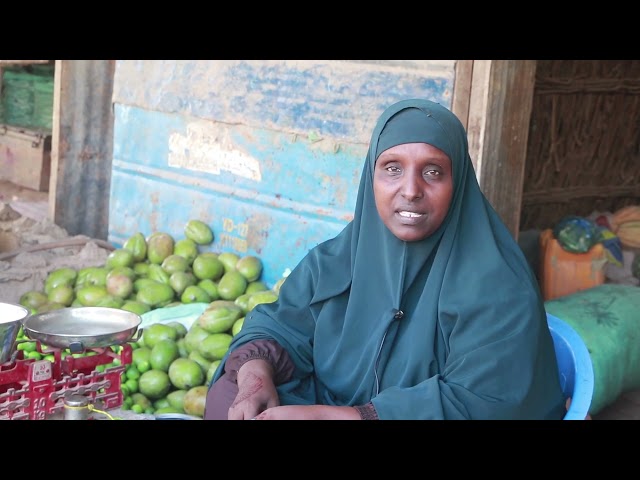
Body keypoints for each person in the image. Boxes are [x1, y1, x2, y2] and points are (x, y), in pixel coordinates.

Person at [204, 98, 567, 420]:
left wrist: (351, 416)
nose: (410, 190)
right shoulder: (336, 258)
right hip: (336, 402)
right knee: (232, 398)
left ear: (458, 184)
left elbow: (487, 401)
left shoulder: (497, 283)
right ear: (370, 178)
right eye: (392, 168)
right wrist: (255, 376)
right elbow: (279, 325)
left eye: (433, 172)